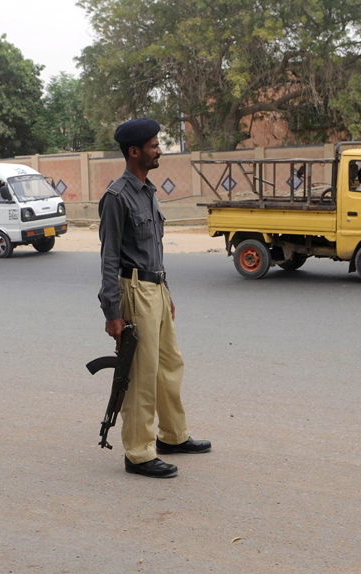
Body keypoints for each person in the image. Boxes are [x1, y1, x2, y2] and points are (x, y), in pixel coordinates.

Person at [98, 118, 211, 479]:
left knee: (170, 365)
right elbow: (109, 259)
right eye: (153, 145)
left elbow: (154, 249)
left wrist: (167, 291)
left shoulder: (148, 191)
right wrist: (112, 313)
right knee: (142, 374)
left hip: (156, 289)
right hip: (134, 291)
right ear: (135, 151)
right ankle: (138, 453)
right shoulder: (116, 197)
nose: (159, 149)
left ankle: (173, 436)